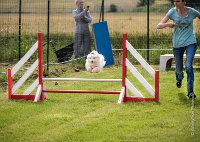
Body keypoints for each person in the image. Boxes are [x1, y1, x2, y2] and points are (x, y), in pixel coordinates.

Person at [157, 0, 200, 99]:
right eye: (174, 1)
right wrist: (169, 25)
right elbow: (158, 26)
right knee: (179, 69)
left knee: (189, 66)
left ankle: (190, 92)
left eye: (178, 1)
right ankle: (179, 78)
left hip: (191, 42)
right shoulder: (172, 12)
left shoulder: (192, 11)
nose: (175, 3)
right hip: (177, 44)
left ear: (184, 2)